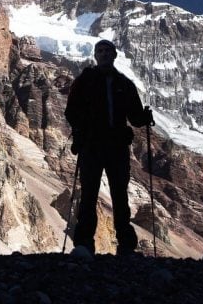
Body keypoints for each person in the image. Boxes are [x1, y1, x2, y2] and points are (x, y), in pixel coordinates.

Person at [64, 39, 153, 255]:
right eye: (100, 51)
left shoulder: (124, 84)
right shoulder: (86, 81)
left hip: (115, 146)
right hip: (93, 145)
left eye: (107, 51)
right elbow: (71, 111)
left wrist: (144, 117)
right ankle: (87, 242)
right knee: (89, 195)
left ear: (114, 55)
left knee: (119, 195)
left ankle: (119, 244)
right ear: (96, 55)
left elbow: (135, 116)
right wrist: (81, 130)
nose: (103, 54)